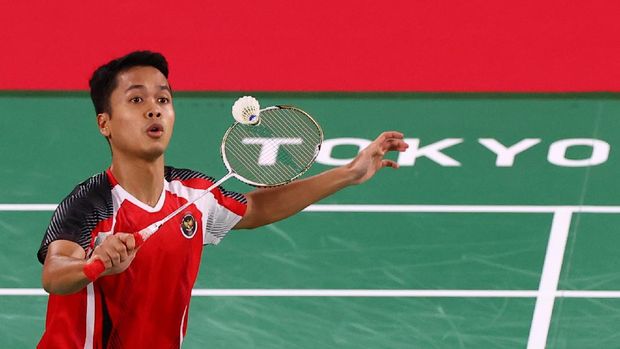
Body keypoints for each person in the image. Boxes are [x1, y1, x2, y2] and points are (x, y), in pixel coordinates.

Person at [36, 50, 409, 348]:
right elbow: (54, 274)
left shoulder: (194, 195)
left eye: (163, 99)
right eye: (136, 99)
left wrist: (349, 173)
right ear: (105, 124)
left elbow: (257, 207)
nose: (154, 108)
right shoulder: (90, 204)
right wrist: (95, 264)